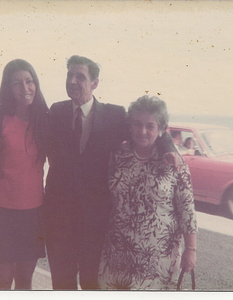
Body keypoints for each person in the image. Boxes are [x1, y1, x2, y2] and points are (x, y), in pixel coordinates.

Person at [44, 55, 179, 290]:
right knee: (61, 285)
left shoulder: (114, 115)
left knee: (91, 284)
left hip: (95, 223)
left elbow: (149, 127)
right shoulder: (56, 111)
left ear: (95, 83)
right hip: (60, 220)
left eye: (80, 77)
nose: (73, 81)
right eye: (69, 76)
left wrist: (169, 148)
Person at [98, 95, 197, 290]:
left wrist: (191, 250)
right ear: (130, 126)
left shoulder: (173, 161)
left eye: (150, 126)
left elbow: (187, 210)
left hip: (158, 259)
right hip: (117, 253)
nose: (142, 131)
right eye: (137, 124)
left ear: (160, 129)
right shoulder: (117, 155)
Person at [0, 59, 50, 290]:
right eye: (16, 83)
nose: (25, 89)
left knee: (25, 284)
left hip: (33, 214)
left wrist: (165, 141)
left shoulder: (46, 120)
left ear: (36, 83)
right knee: (1, 285)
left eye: (29, 81)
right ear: (7, 87)